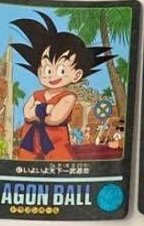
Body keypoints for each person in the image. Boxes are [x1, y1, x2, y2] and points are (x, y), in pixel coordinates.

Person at [12, 12, 115, 161]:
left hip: (56, 143)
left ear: (77, 75)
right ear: (39, 71)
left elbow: (55, 118)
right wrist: (47, 110)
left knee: (62, 164)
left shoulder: (69, 97)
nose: (52, 76)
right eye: (48, 69)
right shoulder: (36, 94)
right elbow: (27, 114)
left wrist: (38, 111)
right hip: (30, 142)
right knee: (24, 165)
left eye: (61, 70)